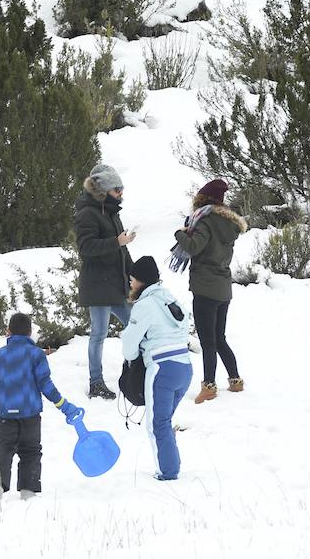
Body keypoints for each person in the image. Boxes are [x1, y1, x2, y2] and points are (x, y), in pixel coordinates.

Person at [0, 312, 82, 499]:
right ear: (30, 333)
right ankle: (28, 491)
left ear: (8, 332)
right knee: (30, 451)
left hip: (6, 416)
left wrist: (4, 398)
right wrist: (63, 405)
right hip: (30, 415)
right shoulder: (36, 355)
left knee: (3, 449)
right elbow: (45, 385)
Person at [170, 179, 247, 403]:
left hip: (205, 287)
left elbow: (194, 246)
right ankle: (235, 380)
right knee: (219, 337)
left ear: (203, 199)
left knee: (207, 341)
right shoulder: (228, 223)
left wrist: (180, 233)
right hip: (223, 287)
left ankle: (209, 386)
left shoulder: (205, 221)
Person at [121, 256, 193, 480]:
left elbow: (129, 344)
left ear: (141, 281)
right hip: (184, 367)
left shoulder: (144, 305)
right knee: (164, 421)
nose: (130, 284)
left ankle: (168, 472)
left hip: (162, 368)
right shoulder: (169, 298)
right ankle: (172, 464)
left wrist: (133, 359)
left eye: (132, 280)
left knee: (157, 424)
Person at [74, 164, 136, 400]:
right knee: (98, 334)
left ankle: (135, 370)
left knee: (135, 325)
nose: (121, 193)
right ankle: (95, 382)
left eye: (121, 189)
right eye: (117, 189)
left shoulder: (111, 212)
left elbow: (121, 251)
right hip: (98, 285)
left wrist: (135, 275)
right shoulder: (87, 213)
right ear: (105, 190)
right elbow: (86, 248)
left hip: (116, 283)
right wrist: (116, 242)